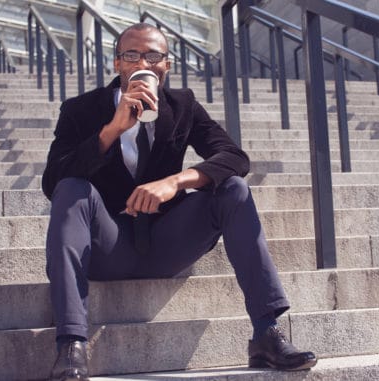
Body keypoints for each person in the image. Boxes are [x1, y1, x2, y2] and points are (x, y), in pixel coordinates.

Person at [42, 23, 317, 381]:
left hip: (167, 243)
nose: (144, 62)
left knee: (232, 188)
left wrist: (175, 182)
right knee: (72, 189)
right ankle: (71, 344)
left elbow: (234, 157)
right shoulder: (81, 110)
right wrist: (111, 131)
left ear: (166, 65)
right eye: (132, 55)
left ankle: (266, 332)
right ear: (116, 65)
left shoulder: (183, 105)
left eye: (154, 55)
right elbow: (53, 181)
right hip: (107, 247)